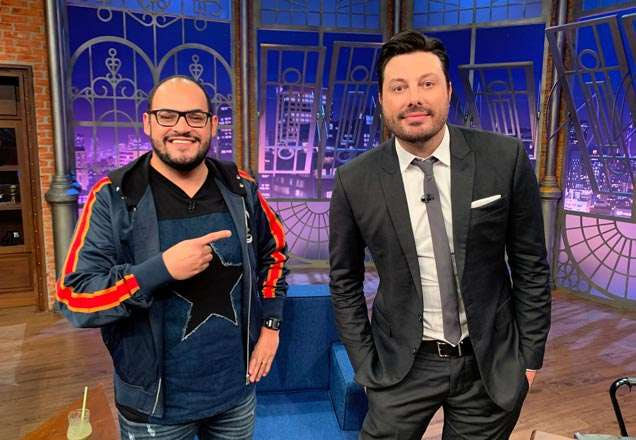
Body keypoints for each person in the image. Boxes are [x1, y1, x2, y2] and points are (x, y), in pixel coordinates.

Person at [329, 31, 551, 439]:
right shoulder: (353, 181)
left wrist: (529, 357)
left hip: (490, 363)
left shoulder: (503, 158)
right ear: (382, 99)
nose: (413, 98)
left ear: (448, 90)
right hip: (399, 366)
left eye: (427, 83)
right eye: (399, 87)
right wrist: (364, 365)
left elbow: (531, 266)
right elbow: (344, 281)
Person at [56, 75, 288, 439]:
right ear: (148, 122)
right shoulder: (114, 195)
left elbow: (274, 252)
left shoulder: (239, 187)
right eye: (167, 116)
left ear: (212, 125)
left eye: (195, 116)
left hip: (235, 392)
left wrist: (271, 327)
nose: (182, 127)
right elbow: (75, 297)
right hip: (155, 408)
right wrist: (158, 270)